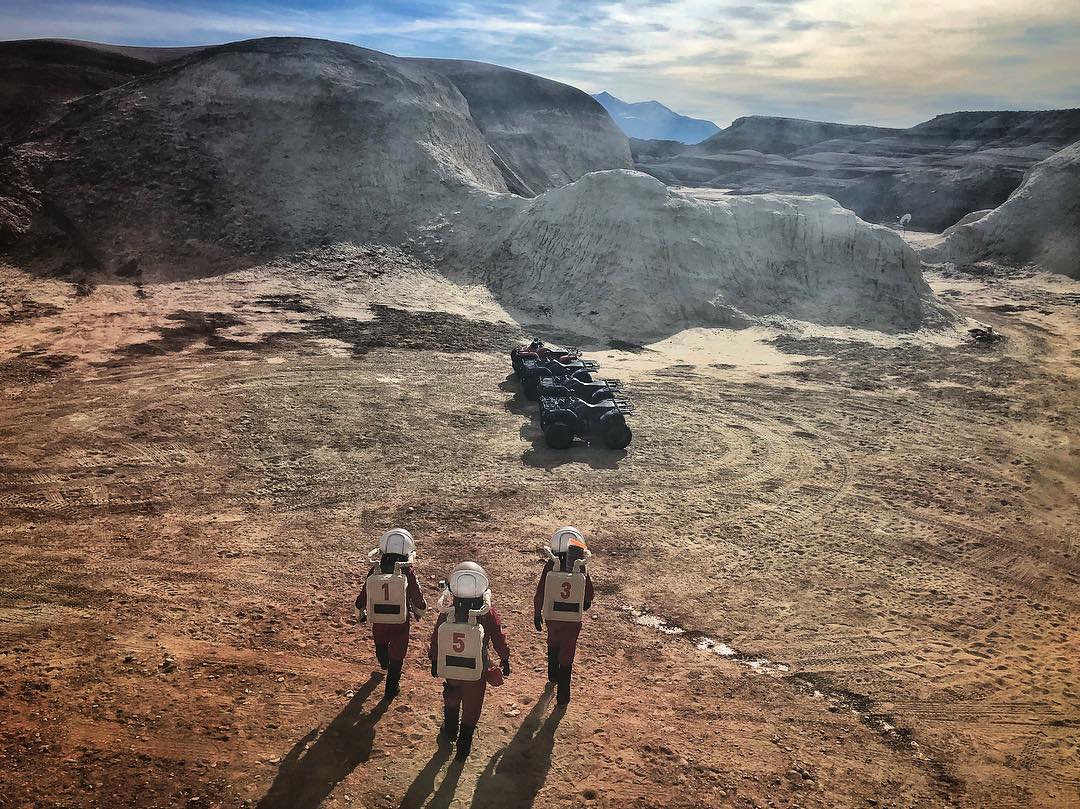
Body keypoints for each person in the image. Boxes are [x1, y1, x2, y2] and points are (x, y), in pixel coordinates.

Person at [429, 562, 511, 760]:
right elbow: (499, 638)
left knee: (452, 695)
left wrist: (434, 660)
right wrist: (505, 658)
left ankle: (450, 730)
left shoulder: (448, 612)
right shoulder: (487, 613)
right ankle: (463, 747)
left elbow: (437, 637)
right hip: (476, 670)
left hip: (452, 665)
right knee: (472, 707)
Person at [355, 528, 428, 700]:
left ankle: (383, 662)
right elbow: (416, 595)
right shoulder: (407, 572)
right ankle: (391, 689)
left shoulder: (376, 570)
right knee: (398, 652)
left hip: (379, 618)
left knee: (380, 642)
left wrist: (360, 608)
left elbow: (365, 593)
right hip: (400, 620)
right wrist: (420, 608)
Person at [533, 526, 594, 706]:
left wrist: (537, 613)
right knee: (567, 654)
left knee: (553, 641)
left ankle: (552, 675)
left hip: (553, 617)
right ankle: (563, 698)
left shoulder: (550, 566)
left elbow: (540, 592)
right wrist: (586, 602)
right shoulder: (580, 568)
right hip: (572, 620)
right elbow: (589, 593)